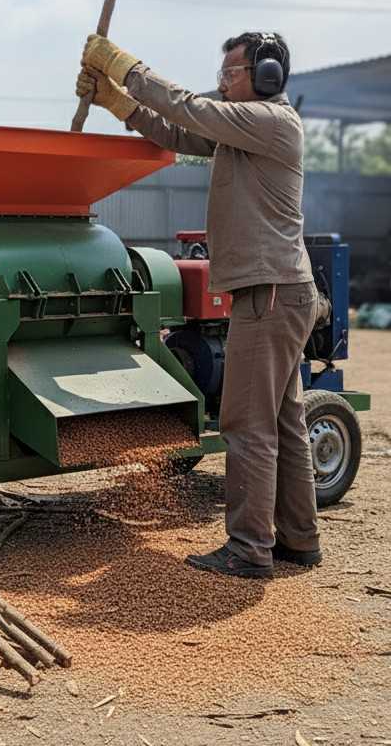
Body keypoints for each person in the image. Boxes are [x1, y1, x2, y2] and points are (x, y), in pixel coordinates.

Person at [77, 31, 321, 579]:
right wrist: (120, 105)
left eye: (231, 73)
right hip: (279, 291)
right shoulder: (243, 131)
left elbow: (189, 107)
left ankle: (248, 549)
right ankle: (299, 540)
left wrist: (123, 66)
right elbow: (179, 131)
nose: (221, 81)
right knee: (283, 422)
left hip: (269, 293)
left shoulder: (269, 121)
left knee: (246, 424)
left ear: (266, 77)